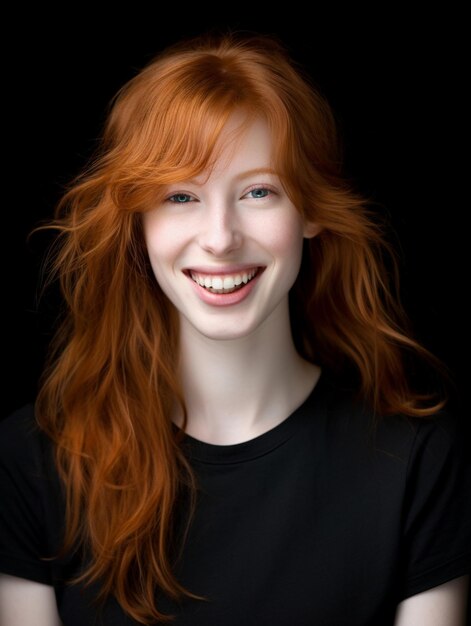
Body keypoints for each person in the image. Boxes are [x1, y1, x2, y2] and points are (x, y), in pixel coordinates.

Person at [0, 31, 469, 626]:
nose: (220, 237)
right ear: (136, 225)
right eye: (179, 196)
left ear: (313, 212)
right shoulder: (31, 461)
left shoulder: (417, 462)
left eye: (258, 191)